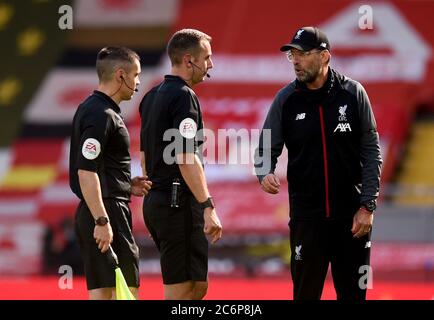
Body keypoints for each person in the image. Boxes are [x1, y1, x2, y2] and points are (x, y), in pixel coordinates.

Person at [254, 26, 382, 300]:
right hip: (306, 220)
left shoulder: (353, 94)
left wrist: (367, 205)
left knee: (353, 295)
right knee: (305, 295)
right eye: (292, 55)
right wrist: (264, 172)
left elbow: (371, 152)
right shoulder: (285, 100)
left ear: (325, 56)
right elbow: (266, 147)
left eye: (302, 54)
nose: (295, 61)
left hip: (352, 219)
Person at [139, 28, 222, 300]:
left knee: (196, 287)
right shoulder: (184, 97)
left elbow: (144, 155)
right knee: (184, 291)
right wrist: (208, 206)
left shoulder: (151, 97)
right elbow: (186, 156)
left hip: (161, 202)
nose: (210, 64)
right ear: (189, 60)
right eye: (207, 58)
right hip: (177, 203)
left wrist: (154, 206)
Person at [69, 46, 152, 300]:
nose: (138, 82)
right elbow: (86, 171)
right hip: (106, 212)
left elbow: (99, 168)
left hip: (102, 206)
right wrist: (102, 221)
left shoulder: (93, 108)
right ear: (120, 75)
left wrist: (126, 185)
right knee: (125, 291)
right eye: (136, 75)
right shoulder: (101, 114)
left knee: (105, 292)